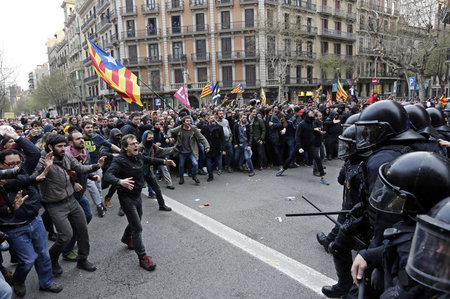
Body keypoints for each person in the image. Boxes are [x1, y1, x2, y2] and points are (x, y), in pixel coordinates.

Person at [351, 152, 450, 298]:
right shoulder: (420, 232)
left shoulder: (417, 247)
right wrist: (368, 255)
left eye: (397, 198)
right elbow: (394, 246)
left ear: (416, 202)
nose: (439, 250)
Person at [33, 134, 105, 277]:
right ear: (50, 147)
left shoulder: (66, 156)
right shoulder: (43, 161)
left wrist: (96, 166)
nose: (62, 149)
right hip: (55, 205)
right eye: (59, 147)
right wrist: (46, 170)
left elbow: (79, 168)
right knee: (65, 236)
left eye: (63, 146)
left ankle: (82, 259)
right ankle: (52, 259)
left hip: (71, 200)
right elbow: (35, 179)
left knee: (83, 230)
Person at [104, 134, 176, 271]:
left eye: (136, 143)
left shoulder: (139, 156)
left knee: (137, 221)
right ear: (125, 147)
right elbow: (108, 175)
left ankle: (126, 237)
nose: (136, 145)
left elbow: (150, 160)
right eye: (132, 144)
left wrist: (165, 162)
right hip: (126, 197)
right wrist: (120, 181)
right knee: (137, 227)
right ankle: (143, 258)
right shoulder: (119, 160)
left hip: (137, 195)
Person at [0, 145, 63, 296]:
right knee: (28, 259)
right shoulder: (4, 181)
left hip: (35, 220)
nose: (16, 167)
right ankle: (18, 280)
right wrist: (34, 178)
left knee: (43, 254)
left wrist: (16, 137)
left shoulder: (24, 171)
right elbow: (15, 183)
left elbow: (34, 153)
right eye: (11, 164)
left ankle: (46, 282)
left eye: (18, 163)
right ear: (1, 165)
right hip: (14, 227)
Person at [277, 110, 329, 185]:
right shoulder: (302, 124)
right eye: (311, 112)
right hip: (301, 145)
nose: (312, 113)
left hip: (310, 145)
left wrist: (317, 131)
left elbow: (310, 131)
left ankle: (322, 177)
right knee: (291, 157)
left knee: (317, 158)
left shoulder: (311, 122)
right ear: (307, 114)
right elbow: (297, 136)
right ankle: (283, 169)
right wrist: (300, 147)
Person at [82, 121, 120, 217]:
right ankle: (99, 206)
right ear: (83, 129)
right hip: (85, 168)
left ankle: (99, 202)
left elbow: (110, 145)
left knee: (98, 187)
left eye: (91, 127)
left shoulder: (97, 137)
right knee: (92, 187)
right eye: (87, 127)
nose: (90, 129)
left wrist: (122, 151)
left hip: (97, 166)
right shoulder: (80, 139)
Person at [168, 115, 210, 185]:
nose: (189, 122)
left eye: (190, 121)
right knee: (181, 165)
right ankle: (181, 178)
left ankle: (194, 176)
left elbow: (202, 138)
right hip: (181, 151)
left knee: (195, 164)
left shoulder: (193, 129)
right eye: (187, 121)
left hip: (191, 151)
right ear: (183, 122)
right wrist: (169, 137)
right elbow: (170, 131)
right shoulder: (180, 128)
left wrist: (207, 146)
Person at [200, 114, 225, 181]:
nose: (213, 119)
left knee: (217, 162)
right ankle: (210, 176)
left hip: (217, 148)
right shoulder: (205, 127)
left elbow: (222, 138)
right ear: (208, 120)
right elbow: (201, 137)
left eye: (214, 118)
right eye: (211, 118)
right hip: (208, 148)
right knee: (208, 162)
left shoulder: (219, 127)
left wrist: (223, 148)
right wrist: (204, 145)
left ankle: (210, 169)